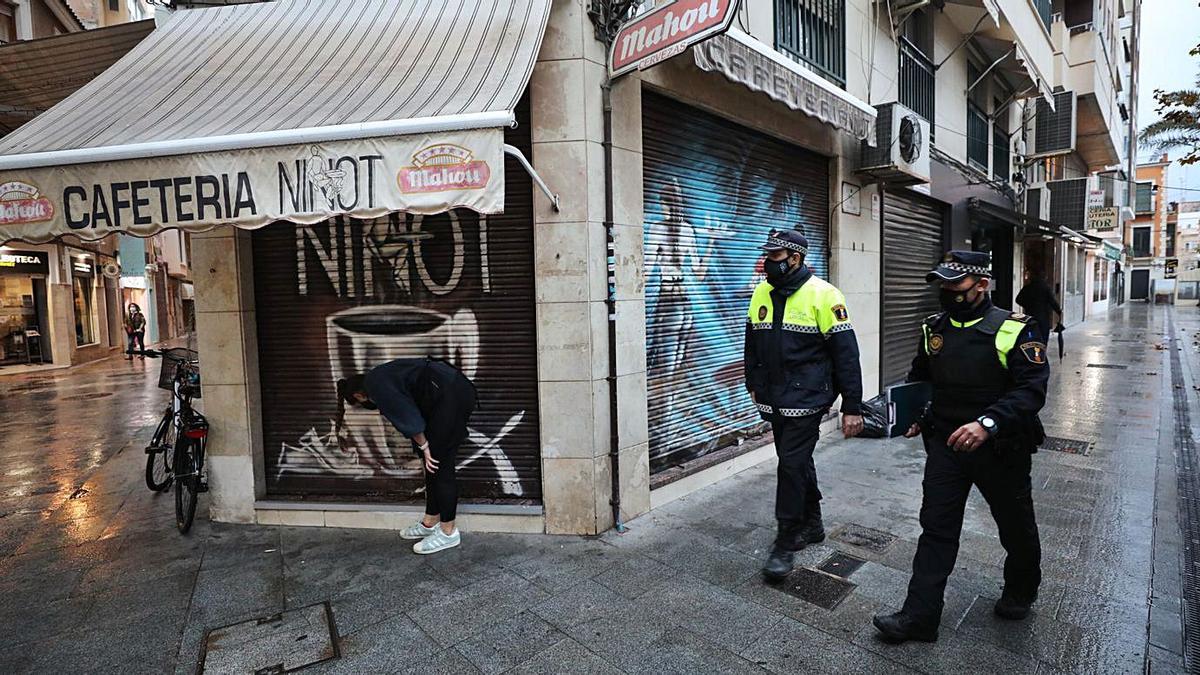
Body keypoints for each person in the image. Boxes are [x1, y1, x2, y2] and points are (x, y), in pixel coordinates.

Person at [873, 251, 1049, 644]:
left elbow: (1031, 390)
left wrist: (987, 423)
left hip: (1001, 447)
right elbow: (922, 377)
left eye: (955, 284)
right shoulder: (934, 327)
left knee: (1014, 524)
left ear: (981, 285)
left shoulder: (1016, 328)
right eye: (943, 284)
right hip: (947, 445)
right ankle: (920, 617)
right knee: (936, 527)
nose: (947, 291)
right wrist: (914, 415)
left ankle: (1021, 589)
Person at [744, 230, 864, 583]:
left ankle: (785, 540)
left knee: (791, 465)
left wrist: (852, 405)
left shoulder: (825, 295)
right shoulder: (762, 291)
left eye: (775, 256)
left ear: (795, 258)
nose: (768, 263)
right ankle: (813, 524)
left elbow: (847, 355)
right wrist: (753, 384)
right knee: (795, 462)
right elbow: (752, 340)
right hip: (773, 399)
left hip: (807, 399)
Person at [338, 357, 477, 554]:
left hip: (450, 396)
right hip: (447, 394)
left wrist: (426, 446)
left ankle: (448, 532)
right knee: (430, 464)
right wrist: (424, 448)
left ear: (359, 395)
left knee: (439, 463)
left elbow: (409, 419)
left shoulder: (378, 387)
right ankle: (430, 522)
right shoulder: (379, 377)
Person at [1015, 269, 1062, 343]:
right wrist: (1059, 311)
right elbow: (1052, 301)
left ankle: (1032, 353)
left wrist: (1027, 306)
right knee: (1043, 338)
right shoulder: (1046, 288)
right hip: (1043, 318)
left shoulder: (1028, 287)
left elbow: (1018, 300)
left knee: (1031, 337)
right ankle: (1041, 353)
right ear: (1044, 277)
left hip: (1030, 317)